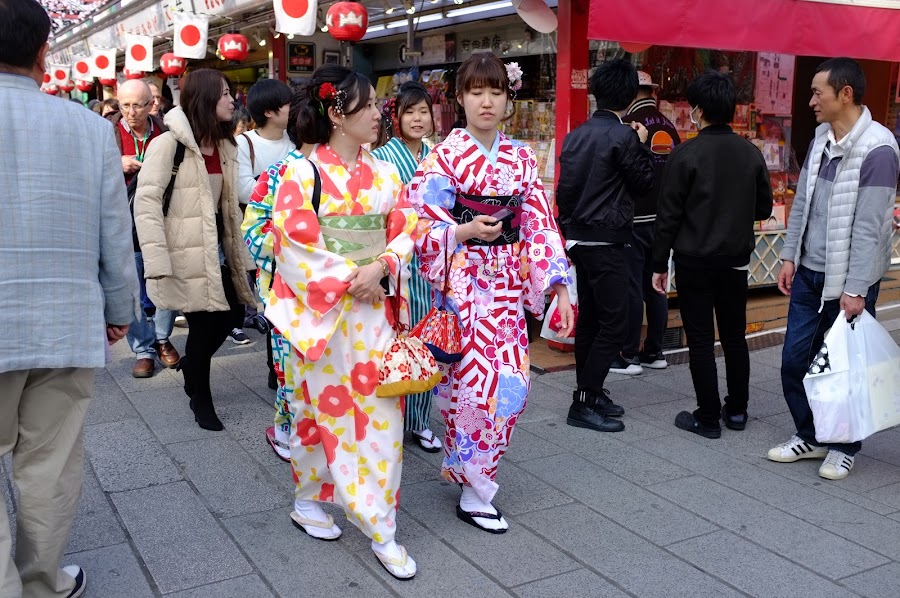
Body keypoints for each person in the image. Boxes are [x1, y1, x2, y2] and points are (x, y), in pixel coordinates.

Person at [0, 1, 140, 596]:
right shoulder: (88, 129)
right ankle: (40, 582)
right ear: (42, 53)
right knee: (50, 466)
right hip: (64, 322)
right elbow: (115, 229)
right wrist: (118, 312)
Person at [263, 65, 419, 579]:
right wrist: (358, 275)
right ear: (337, 113)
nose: (379, 113)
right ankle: (309, 501)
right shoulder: (302, 173)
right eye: (369, 104)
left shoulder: (386, 173)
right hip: (323, 316)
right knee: (315, 413)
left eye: (377, 104)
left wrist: (384, 266)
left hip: (372, 310)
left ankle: (381, 525)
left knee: (378, 418)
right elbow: (292, 245)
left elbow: (405, 229)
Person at [408, 52, 573, 534]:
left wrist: (559, 284)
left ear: (507, 100)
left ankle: (472, 473)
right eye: (476, 92)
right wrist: (461, 232)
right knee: (472, 389)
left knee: (513, 387)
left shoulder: (521, 158)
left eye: (495, 92)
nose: (486, 101)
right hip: (462, 285)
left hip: (505, 287)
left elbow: (540, 222)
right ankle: (474, 488)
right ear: (459, 99)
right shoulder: (444, 156)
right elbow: (417, 221)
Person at [768, 57, 899, 479]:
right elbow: (803, 202)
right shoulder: (821, 138)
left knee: (842, 366)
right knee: (794, 361)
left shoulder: (878, 149)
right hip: (808, 271)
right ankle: (809, 434)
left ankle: (844, 446)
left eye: (817, 92)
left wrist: (858, 287)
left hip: (850, 280)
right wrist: (789, 255)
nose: (810, 101)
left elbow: (869, 227)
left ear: (846, 94)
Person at [650, 71, 773, 439]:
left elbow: (668, 215)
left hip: (693, 259)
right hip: (734, 260)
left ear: (698, 111)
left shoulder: (686, 154)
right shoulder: (750, 153)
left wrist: (659, 263)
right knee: (735, 335)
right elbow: (764, 207)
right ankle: (736, 411)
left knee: (700, 338)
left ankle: (707, 416)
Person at [134, 68, 255, 431]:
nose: (232, 100)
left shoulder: (226, 145)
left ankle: (191, 369)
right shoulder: (168, 145)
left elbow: (229, 205)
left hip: (217, 250)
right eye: (223, 94)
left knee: (234, 314)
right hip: (183, 252)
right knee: (203, 328)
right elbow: (146, 204)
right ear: (204, 99)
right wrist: (156, 260)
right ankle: (201, 398)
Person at [556, 58, 654, 433]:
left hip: (579, 237)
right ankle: (584, 399)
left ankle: (590, 394)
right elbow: (644, 183)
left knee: (594, 319)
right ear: (629, 97)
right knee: (614, 321)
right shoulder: (624, 135)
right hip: (608, 237)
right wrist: (642, 144)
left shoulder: (576, 134)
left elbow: (564, 191)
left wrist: (567, 231)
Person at [371, 81, 442, 453]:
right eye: (410, 111)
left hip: (434, 262)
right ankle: (394, 418)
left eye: (423, 111)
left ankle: (420, 420)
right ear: (396, 117)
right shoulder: (384, 158)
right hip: (399, 261)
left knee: (427, 340)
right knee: (399, 339)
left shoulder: (436, 155)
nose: (417, 118)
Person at [242, 88, 307, 463]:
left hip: (344, 288)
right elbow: (255, 231)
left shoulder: (368, 171)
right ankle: (288, 429)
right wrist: (308, 257)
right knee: (291, 370)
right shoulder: (281, 172)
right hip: (289, 287)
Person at [107, 78, 180, 378]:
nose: (131, 112)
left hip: (162, 217)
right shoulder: (106, 133)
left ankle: (162, 337)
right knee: (130, 288)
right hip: (121, 220)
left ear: (152, 104)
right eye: (125, 105)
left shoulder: (167, 131)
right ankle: (143, 348)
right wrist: (115, 163)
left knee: (167, 280)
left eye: (137, 105)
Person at [614, 71, 681, 375]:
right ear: (651, 91)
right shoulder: (669, 126)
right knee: (656, 284)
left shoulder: (629, 126)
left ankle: (627, 353)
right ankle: (655, 351)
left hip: (634, 217)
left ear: (631, 92)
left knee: (630, 287)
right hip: (662, 220)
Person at [233, 78, 294, 345]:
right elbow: (244, 190)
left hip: (293, 229)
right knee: (270, 293)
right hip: (261, 231)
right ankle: (274, 363)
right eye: (286, 104)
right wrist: (291, 188)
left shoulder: (294, 140)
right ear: (269, 111)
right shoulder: (244, 143)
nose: (291, 108)